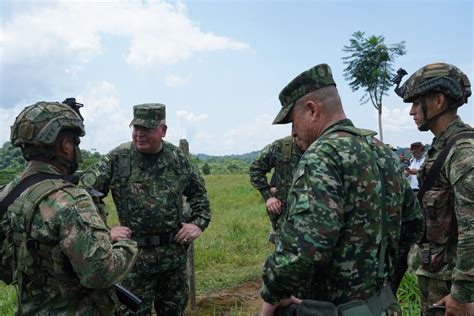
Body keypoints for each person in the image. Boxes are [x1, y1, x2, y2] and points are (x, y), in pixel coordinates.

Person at [260, 64, 423, 315]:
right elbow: (413, 224)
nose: (293, 132)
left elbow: (305, 248)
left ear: (312, 110)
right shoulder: (383, 152)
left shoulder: (323, 155)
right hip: (383, 306)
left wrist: (271, 295)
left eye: (293, 122)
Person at [0, 101, 138, 315]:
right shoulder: (70, 199)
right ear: (65, 145)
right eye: (75, 142)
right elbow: (100, 273)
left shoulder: (8, 193)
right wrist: (128, 245)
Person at [81, 103, 211, 315]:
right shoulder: (118, 158)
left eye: (147, 129)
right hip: (133, 260)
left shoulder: (177, 159)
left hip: (173, 260)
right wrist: (105, 232)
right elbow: (84, 193)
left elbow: (199, 194)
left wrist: (198, 224)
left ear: (163, 130)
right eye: (136, 128)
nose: (139, 134)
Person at [394, 62, 474, 316]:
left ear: (438, 101)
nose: (411, 112)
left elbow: (472, 229)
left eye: (417, 103)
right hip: (437, 277)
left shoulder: (463, 152)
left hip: (452, 289)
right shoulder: (441, 147)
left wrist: (462, 295)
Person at [249, 136, 304, 243]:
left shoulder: (323, 146)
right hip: (285, 218)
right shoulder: (282, 147)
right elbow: (255, 168)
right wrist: (268, 197)